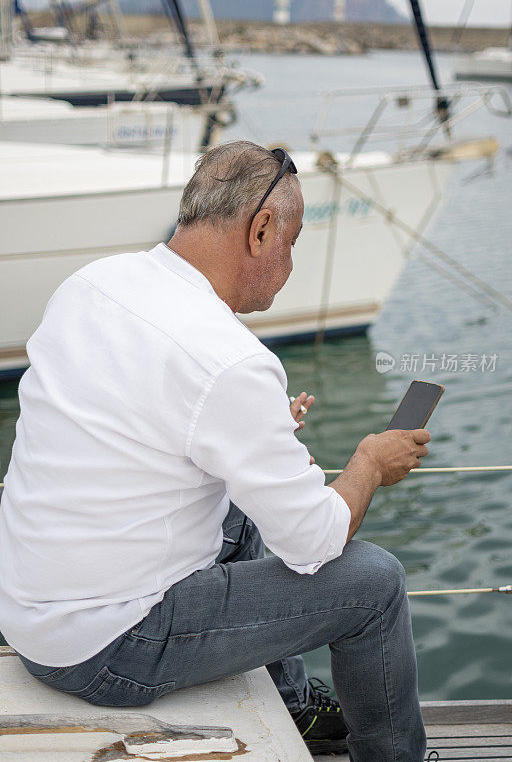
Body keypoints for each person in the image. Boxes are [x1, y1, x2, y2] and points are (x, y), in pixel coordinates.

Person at [0, 141, 430, 761]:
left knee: (244, 508)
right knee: (375, 586)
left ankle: (292, 702)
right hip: (104, 647)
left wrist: (254, 437)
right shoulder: (230, 361)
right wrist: (368, 463)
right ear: (261, 231)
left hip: (29, 608)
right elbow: (314, 541)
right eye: (294, 239)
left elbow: (132, 422)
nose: (291, 261)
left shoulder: (93, 283)